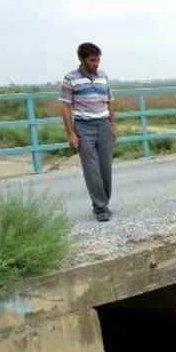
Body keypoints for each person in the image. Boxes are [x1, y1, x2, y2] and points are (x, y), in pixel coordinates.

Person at [59, 42, 117, 222]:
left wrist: (112, 126)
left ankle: (103, 202)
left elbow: (109, 102)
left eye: (98, 60)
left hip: (103, 125)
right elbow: (65, 107)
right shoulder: (70, 78)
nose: (96, 64)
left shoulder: (103, 76)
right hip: (84, 128)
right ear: (82, 60)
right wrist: (71, 134)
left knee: (105, 169)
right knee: (92, 170)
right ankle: (100, 208)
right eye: (92, 60)